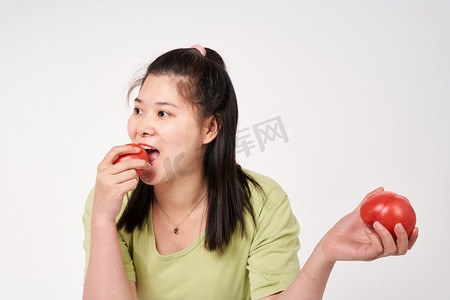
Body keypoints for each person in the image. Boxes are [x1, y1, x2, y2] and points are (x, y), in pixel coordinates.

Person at [82, 44, 419, 300]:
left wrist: (325, 253)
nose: (142, 127)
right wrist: (101, 218)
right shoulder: (113, 199)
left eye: (163, 114)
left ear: (209, 128)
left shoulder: (262, 202)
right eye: (139, 109)